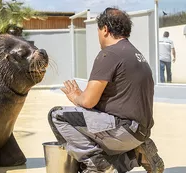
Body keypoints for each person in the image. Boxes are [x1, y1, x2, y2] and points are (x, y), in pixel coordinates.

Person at [47, 7, 164, 173]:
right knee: (90, 129)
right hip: (141, 132)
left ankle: (96, 166)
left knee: (57, 116)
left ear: (105, 29)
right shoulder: (137, 55)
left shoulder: (109, 54)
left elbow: (88, 101)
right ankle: (137, 153)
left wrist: (76, 96)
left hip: (123, 130)